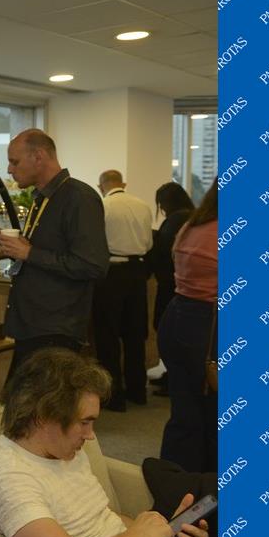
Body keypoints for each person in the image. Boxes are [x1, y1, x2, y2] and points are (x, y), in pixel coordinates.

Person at [0, 349, 211, 537]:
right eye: (84, 422)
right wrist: (140, 535)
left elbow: (100, 519)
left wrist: (162, 535)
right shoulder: (10, 476)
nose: (90, 435)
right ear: (42, 416)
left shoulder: (63, 449)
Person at [0, 128, 108, 382]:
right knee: (22, 401)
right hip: (33, 324)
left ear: (39, 157)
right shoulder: (43, 198)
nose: (10, 170)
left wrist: (30, 252)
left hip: (56, 329)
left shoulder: (79, 198)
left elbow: (93, 265)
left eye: (15, 162)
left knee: (38, 403)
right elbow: (32, 256)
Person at [158, 187, 217, 473]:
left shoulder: (191, 226)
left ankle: (175, 485)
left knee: (185, 413)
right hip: (209, 326)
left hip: (178, 318)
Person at [91, 169, 154, 411]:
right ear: (123, 184)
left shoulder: (103, 206)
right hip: (138, 272)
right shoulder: (142, 206)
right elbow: (149, 243)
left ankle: (114, 396)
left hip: (112, 272)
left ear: (101, 186)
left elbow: (96, 242)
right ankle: (138, 391)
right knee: (135, 335)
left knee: (108, 336)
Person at [145, 183, 194, 396]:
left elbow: (163, 250)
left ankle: (174, 378)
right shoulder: (192, 217)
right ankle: (174, 375)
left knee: (166, 328)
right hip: (184, 284)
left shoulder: (175, 220)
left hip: (170, 285)